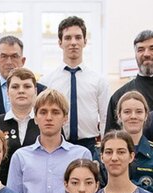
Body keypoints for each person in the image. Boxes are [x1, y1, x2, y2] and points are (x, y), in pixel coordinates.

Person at [7, 89, 93, 193]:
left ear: (65, 118)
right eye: (43, 112)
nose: (48, 118)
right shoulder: (21, 157)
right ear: (35, 118)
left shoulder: (81, 155)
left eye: (55, 112)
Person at [40, 16, 110, 156]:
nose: (73, 43)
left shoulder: (99, 80)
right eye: (68, 38)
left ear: (85, 41)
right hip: (56, 146)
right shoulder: (47, 81)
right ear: (60, 43)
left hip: (90, 146)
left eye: (78, 37)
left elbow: (105, 118)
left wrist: (105, 148)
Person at [106, 30, 153, 133]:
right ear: (135, 55)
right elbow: (111, 137)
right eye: (141, 49)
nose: (146, 54)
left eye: (152, 48)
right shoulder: (119, 96)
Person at [0, 68, 42, 183]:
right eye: (15, 87)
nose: (21, 91)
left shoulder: (46, 123)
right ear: (7, 92)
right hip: (0, 189)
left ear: (35, 91)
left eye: (27, 86)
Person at [112, 94, 153, 193]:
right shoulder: (105, 152)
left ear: (146, 115)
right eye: (127, 112)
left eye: (139, 112)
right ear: (119, 115)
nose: (133, 116)